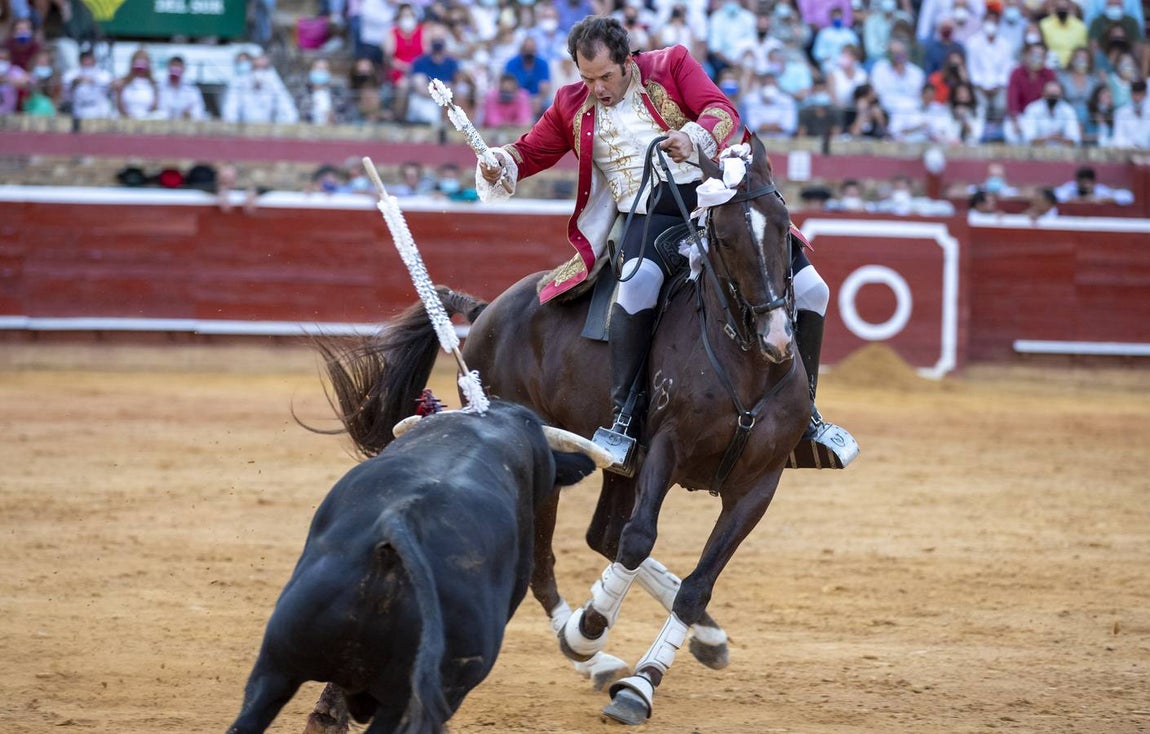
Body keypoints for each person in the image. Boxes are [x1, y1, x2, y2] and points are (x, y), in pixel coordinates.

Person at [476, 16, 846, 472]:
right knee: (635, 288)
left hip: (715, 201)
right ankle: (625, 419)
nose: (597, 88)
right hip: (647, 215)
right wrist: (500, 163)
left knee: (814, 291)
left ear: (627, 61)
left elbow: (721, 110)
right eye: (586, 78)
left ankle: (804, 416)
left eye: (605, 77)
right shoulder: (569, 104)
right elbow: (531, 150)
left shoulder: (672, 64)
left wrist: (691, 138)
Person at [220, 53, 299, 124]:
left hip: (268, 130)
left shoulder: (272, 79)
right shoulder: (239, 81)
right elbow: (230, 109)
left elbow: (287, 109)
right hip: (243, 128)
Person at [1017, 79, 1081, 146]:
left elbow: (1074, 140)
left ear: (1061, 94)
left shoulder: (1068, 110)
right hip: (1037, 152)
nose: (1052, 97)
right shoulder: (1033, 109)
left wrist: (1054, 138)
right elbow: (1028, 138)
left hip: (1062, 152)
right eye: (1050, 94)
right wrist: (1052, 138)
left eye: (1055, 95)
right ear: (1043, 93)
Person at [62, 48, 112, 119]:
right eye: (84, 60)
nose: (87, 62)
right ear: (80, 61)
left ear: (94, 61)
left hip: (98, 109)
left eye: (89, 59)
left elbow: (108, 84)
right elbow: (65, 91)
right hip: (79, 109)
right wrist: (75, 82)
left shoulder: (103, 74)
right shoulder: (72, 73)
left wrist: (92, 80)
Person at [113, 48, 160, 119]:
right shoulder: (123, 82)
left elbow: (154, 107)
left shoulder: (153, 84)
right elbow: (119, 106)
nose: (140, 65)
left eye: (143, 61)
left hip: (147, 118)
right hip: (126, 117)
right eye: (138, 61)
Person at [157, 55, 206, 121]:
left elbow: (199, 112)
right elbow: (158, 110)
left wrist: (190, 114)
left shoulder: (192, 90)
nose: (175, 69)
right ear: (168, 68)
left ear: (184, 69)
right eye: (173, 66)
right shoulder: (159, 88)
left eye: (178, 66)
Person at [1052, 165, 1135, 203]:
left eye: (1087, 183)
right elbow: (1054, 195)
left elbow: (1128, 196)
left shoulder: (1100, 190)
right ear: (1077, 182)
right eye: (1082, 183)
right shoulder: (1070, 188)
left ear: (1093, 182)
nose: (1085, 186)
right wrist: (1078, 199)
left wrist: (1105, 199)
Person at [1109, 79, 1149, 148]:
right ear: (1131, 94)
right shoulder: (1121, 113)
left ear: (1145, 95)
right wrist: (1134, 145)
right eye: (1135, 94)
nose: (1137, 98)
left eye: (1140, 94)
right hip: (1128, 153)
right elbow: (1118, 138)